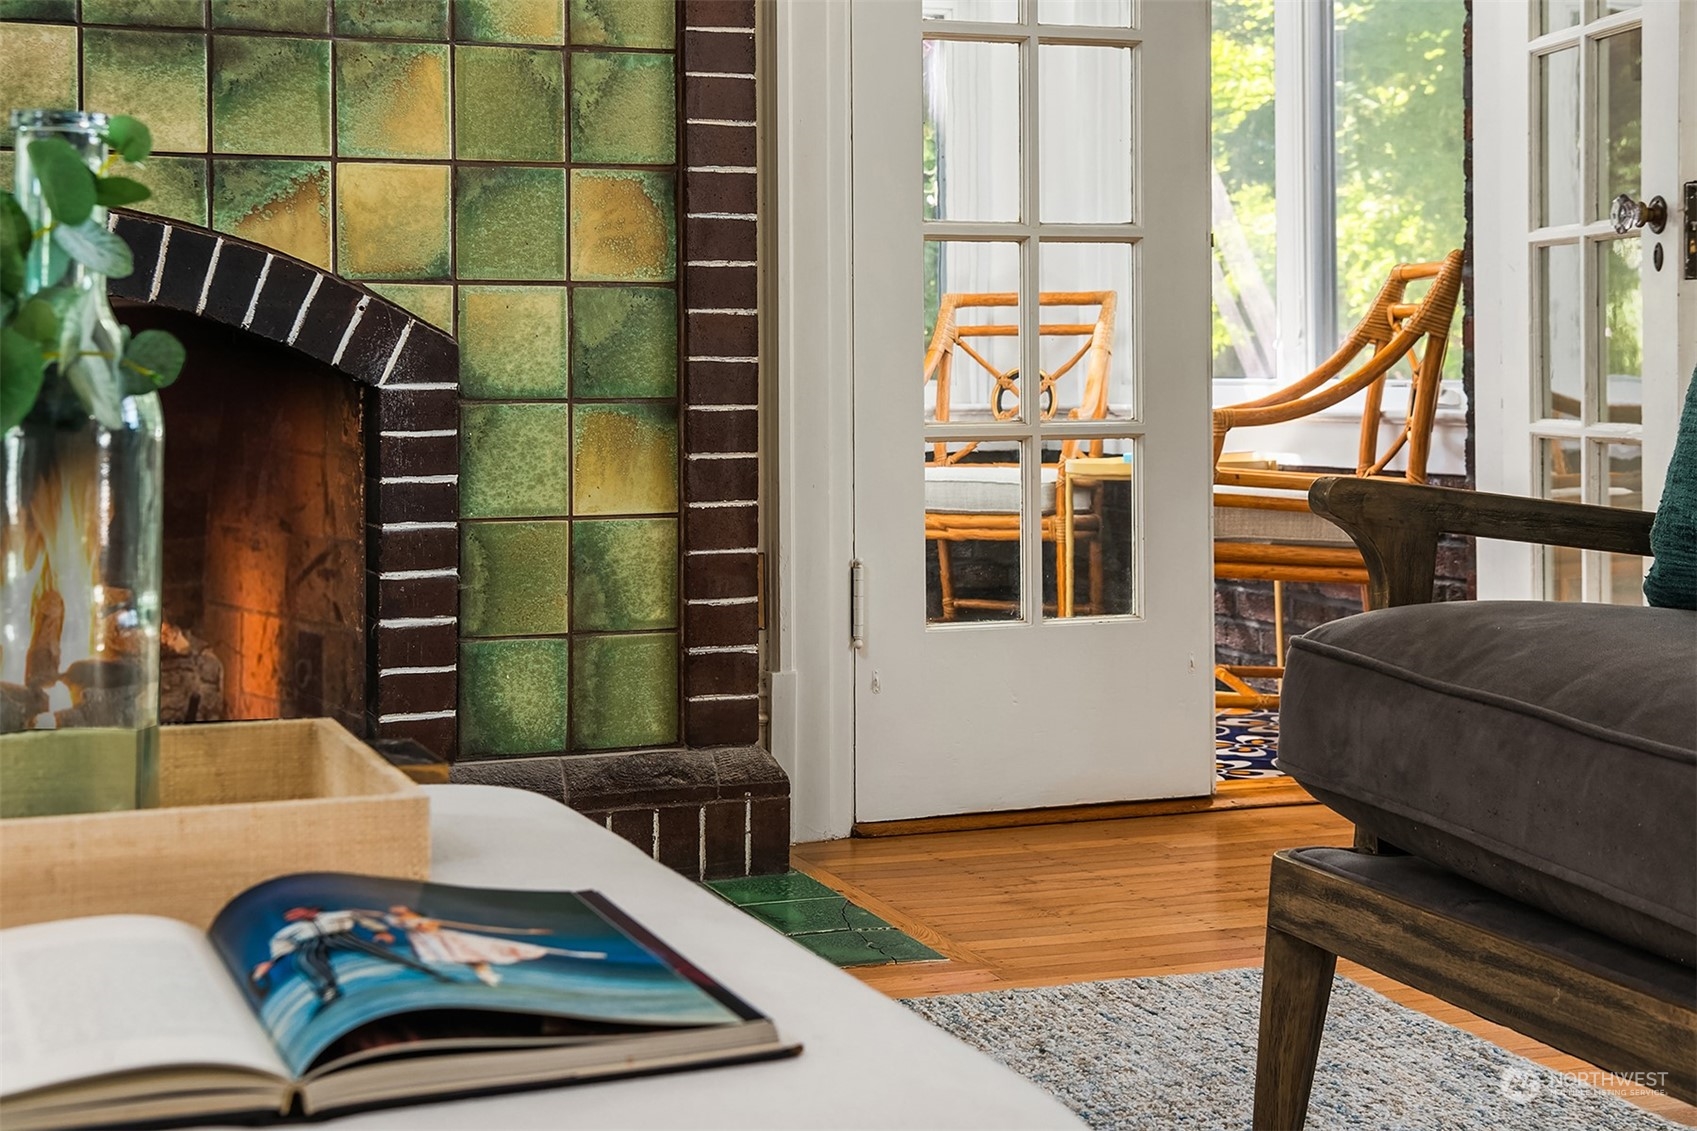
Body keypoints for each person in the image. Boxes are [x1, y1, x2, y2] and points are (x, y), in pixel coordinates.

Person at [249, 907, 454, 1007]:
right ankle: (328, 991)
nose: (293, 917)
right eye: (291, 916)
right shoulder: (292, 930)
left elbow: (360, 919)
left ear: (312, 910)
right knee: (306, 962)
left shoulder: (338, 915)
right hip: (309, 944)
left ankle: (427, 971)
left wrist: (379, 931)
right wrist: (272, 961)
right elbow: (281, 944)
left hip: (340, 936)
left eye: (297, 913)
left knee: (377, 951)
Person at [383, 905, 607, 987]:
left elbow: (430, 927)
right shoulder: (401, 920)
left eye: (400, 910)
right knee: (458, 958)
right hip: (430, 944)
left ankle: (487, 977)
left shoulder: (420, 919)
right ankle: (460, 979)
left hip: (444, 940)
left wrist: (420, 924)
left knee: (475, 954)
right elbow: (392, 922)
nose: (397, 912)